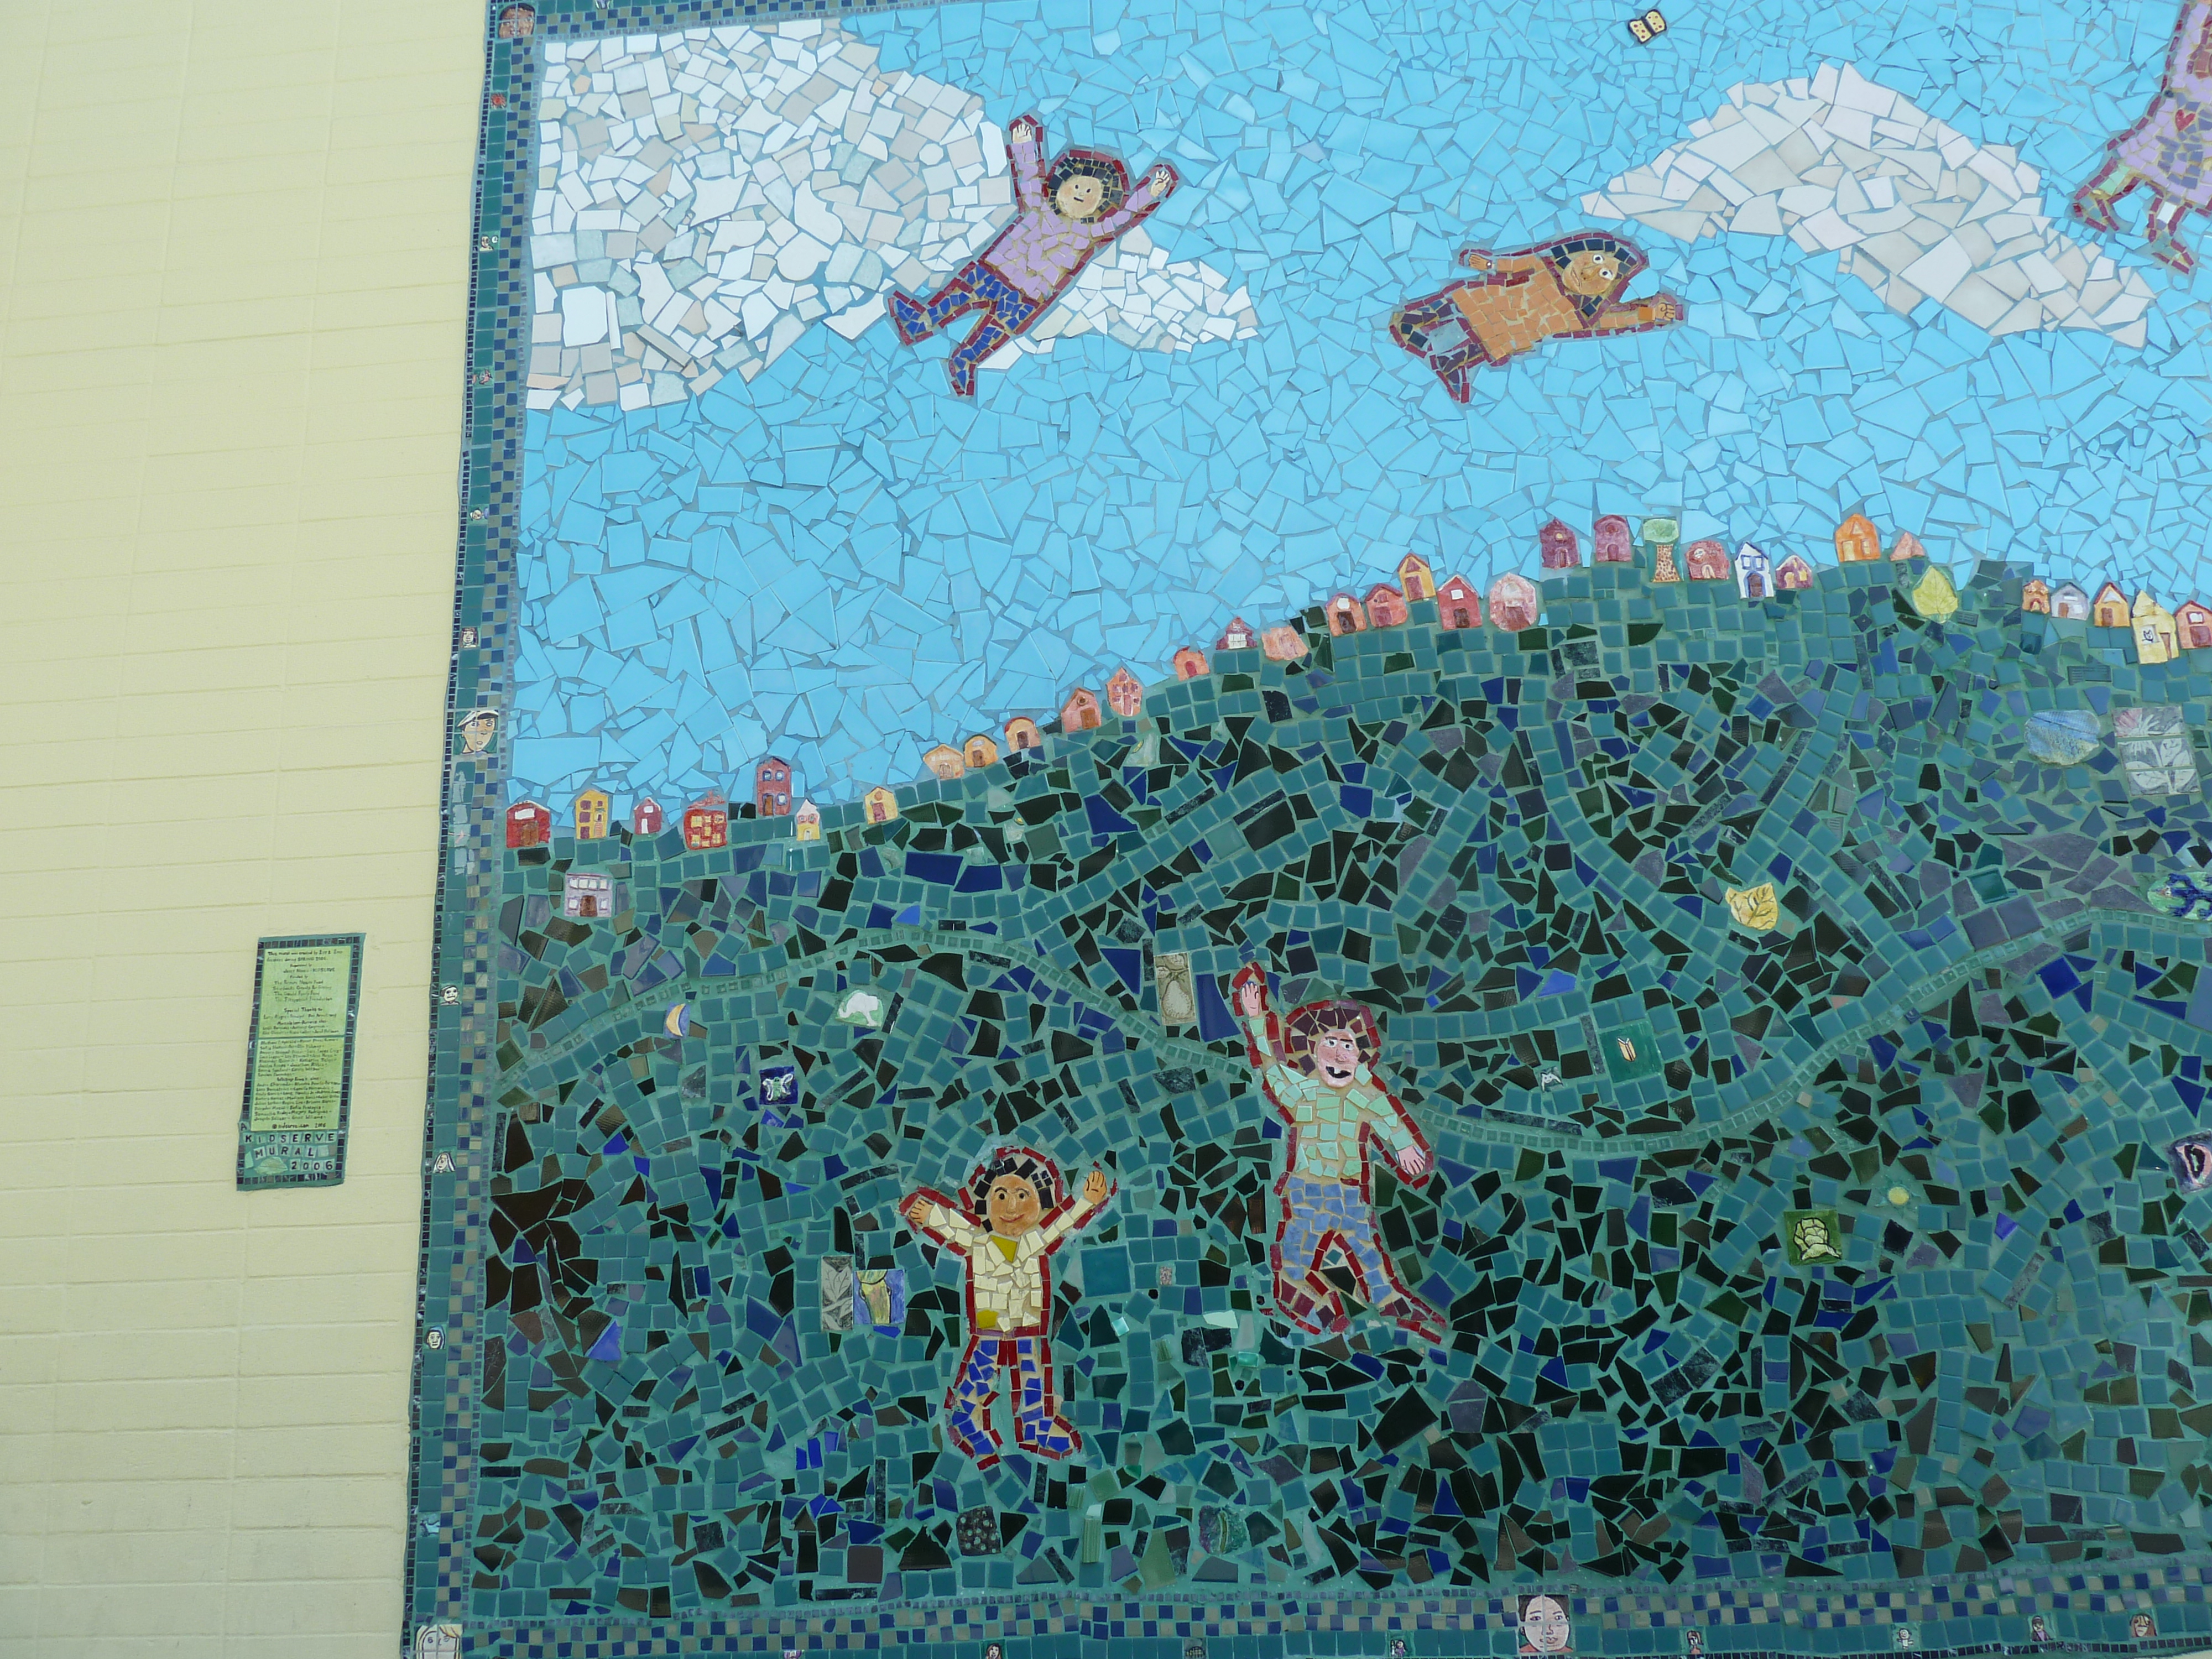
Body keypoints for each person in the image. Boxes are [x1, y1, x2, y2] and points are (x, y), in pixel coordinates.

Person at [889, 116, 1177, 395]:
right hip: (993, 270)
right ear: (1061, 185)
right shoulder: (1038, 204)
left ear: (1101, 205)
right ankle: (919, 323)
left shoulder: (1091, 232)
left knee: (996, 330)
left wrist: (1150, 192)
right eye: (1076, 185)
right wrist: (1024, 145)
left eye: (1091, 192)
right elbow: (1028, 176)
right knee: (956, 298)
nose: (1080, 193)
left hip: (1030, 294)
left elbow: (1122, 218)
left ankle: (966, 360)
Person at [1231, 966, 1443, 1342]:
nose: (1340, 1054)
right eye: (1330, 1043)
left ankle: (1402, 1313)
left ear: (1361, 1057)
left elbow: (1387, 1115)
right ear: (1313, 1052)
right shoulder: (1303, 1092)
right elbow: (1272, 1067)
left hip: (1350, 1196)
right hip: (1306, 1196)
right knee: (1292, 1275)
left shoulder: (1365, 1091)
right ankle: (1328, 1312)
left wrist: (1405, 1144)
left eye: (1348, 1046)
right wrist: (1257, 1017)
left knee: (1376, 1273)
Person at [904, 1148, 1112, 1467]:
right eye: (1001, 1196)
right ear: (986, 1203)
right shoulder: (979, 1240)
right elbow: (953, 1226)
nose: (1011, 1207)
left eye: (1022, 1195)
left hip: (1027, 1326)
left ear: (1041, 1205)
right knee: (980, 1375)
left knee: (1033, 1379)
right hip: (989, 1325)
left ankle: (1036, 1425)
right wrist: (929, 1213)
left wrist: (1087, 1201)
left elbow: (1062, 1224)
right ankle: (965, 1417)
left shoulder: (1035, 1240)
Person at [1389, 231, 1683, 403]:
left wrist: (1651, 313)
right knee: (1448, 308)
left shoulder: (1581, 316)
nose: (1590, 273)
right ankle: (1411, 322)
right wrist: (1487, 263)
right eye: (1596, 260)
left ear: (1608, 288)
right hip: (1485, 301)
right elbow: (1510, 264)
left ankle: (1451, 365)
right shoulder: (1544, 267)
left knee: (1479, 348)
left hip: (1507, 335)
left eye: (1606, 274)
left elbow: (1617, 320)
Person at [2072, 0, 2212, 271]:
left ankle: (2162, 229)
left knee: (2192, 174)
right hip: (2188, 94)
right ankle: (2097, 195)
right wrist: (2177, 86)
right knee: (2148, 149)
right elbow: (2191, 38)